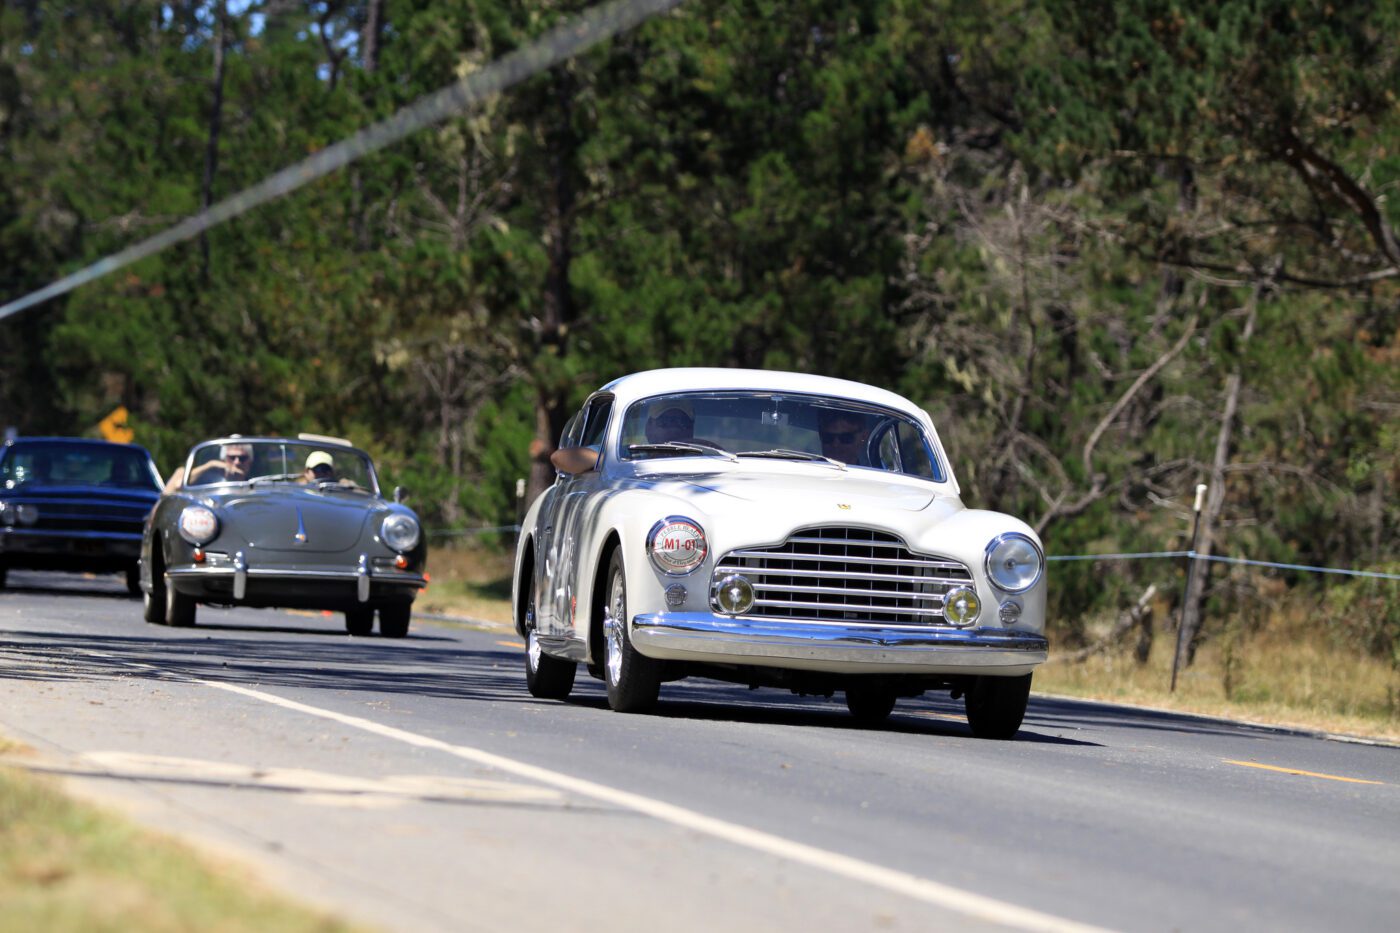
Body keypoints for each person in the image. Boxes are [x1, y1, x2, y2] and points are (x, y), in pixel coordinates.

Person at [168, 441, 254, 491]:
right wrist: (210, 465)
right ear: (223, 460)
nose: (237, 462)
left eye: (242, 458)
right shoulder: (208, 482)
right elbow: (178, 485)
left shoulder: (255, 485)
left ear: (249, 462)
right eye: (231, 458)